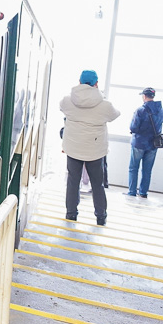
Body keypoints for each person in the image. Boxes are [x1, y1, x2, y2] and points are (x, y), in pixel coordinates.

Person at [59, 70, 120, 225]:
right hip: (95, 150)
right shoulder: (105, 105)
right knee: (97, 184)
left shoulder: (67, 101)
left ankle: (71, 214)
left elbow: (62, 108)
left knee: (73, 182)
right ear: (96, 84)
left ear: (79, 82)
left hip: (73, 148)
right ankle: (101, 217)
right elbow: (115, 114)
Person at [127, 87, 163, 198]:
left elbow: (133, 127)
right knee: (147, 170)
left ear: (144, 96)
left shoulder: (140, 110)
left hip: (139, 143)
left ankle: (132, 192)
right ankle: (143, 192)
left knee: (134, 168)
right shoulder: (161, 110)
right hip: (153, 144)